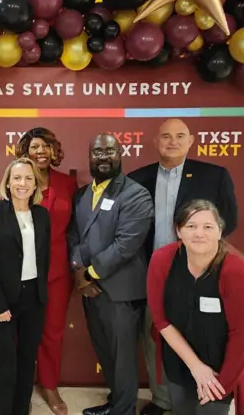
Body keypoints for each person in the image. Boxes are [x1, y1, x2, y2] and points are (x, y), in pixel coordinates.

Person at [128, 118, 238, 415]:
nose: (172, 141)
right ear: (156, 142)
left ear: (191, 141)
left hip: (197, 273)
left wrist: (201, 255)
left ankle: (201, 395)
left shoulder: (214, 175)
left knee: (198, 335)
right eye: (166, 136)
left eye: (179, 136)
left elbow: (229, 221)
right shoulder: (137, 178)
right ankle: (163, 400)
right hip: (153, 273)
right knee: (156, 337)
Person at [147, 200, 244, 415]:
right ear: (178, 231)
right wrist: (196, 366)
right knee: (182, 408)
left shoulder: (238, 272)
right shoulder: (162, 260)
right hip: (180, 358)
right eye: (191, 226)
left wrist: (220, 384)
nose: (199, 233)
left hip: (224, 365)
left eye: (208, 226)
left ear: (220, 232)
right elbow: (161, 320)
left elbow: (243, 335)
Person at [68, 133, 154, 415]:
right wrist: (79, 270)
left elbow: (127, 243)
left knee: (122, 357)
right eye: (97, 152)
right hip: (90, 289)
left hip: (120, 292)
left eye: (110, 151)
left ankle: (123, 410)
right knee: (106, 352)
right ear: (89, 157)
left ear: (121, 154)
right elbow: (74, 235)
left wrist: (89, 274)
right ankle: (117, 401)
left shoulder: (136, 193)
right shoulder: (82, 193)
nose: (103, 157)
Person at [0, 158, 51, 415]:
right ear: (7, 183)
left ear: (35, 185)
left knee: (26, 363)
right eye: (17, 178)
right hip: (4, 300)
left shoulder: (42, 215)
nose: (23, 183)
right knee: (7, 365)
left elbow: (45, 258)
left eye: (28, 178)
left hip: (34, 299)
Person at [15, 128, 77, 415]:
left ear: (54, 151)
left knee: (52, 332)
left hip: (57, 272)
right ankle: (22, 388)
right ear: (25, 151)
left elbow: (75, 229)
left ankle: (49, 385)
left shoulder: (68, 184)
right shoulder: (16, 181)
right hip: (22, 271)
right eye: (34, 146)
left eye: (46, 147)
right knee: (22, 333)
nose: (40, 152)